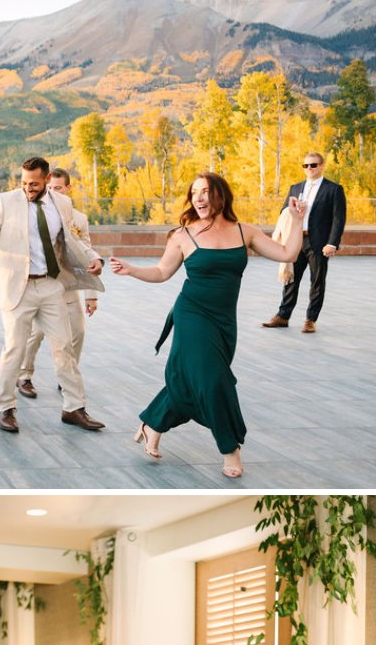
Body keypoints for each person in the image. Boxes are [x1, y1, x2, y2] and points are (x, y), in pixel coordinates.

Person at [111, 172, 305, 479]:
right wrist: (131, 269)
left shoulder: (245, 232)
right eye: (195, 192)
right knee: (214, 380)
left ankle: (152, 424)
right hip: (191, 314)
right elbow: (162, 272)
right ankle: (231, 448)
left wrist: (295, 220)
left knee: (193, 380)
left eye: (205, 191)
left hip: (224, 321)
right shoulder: (183, 236)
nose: (199, 197)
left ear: (220, 196)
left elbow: (288, 253)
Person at [0, 156, 105, 434]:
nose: (29, 188)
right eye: (25, 183)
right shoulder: (5, 201)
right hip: (18, 287)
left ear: (47, 179)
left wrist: (93, 256)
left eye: (35, 184)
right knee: (14, 348)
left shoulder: (62, 203)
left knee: (64, 346)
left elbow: (72, 238)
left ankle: (74, 408)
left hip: (51, 285)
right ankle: (5, 408)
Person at [17, 167, 98, 399]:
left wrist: (91, 295)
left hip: (67, 286)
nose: (52, 192)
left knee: (78, 333)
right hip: (42, 286)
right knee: (35, 334)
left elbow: (86, 254)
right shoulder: (30, 212)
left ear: (68, 189)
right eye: (49, 188)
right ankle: (24, 375)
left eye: (58, 188)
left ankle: (68, 378)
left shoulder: (78, 218)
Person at [262, 150, 347, 334]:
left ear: (322, 166)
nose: (309, 168)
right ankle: (283, 316)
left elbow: (338, 219)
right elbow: (284, 211)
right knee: (290, 278)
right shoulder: (295, 188)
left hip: (318, 242)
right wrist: (293, 209)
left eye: (313, 165)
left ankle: (310, 320)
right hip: (295, 240)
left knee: (317, 281)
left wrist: (332, 243)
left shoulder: (333, 189)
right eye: (306, 165)